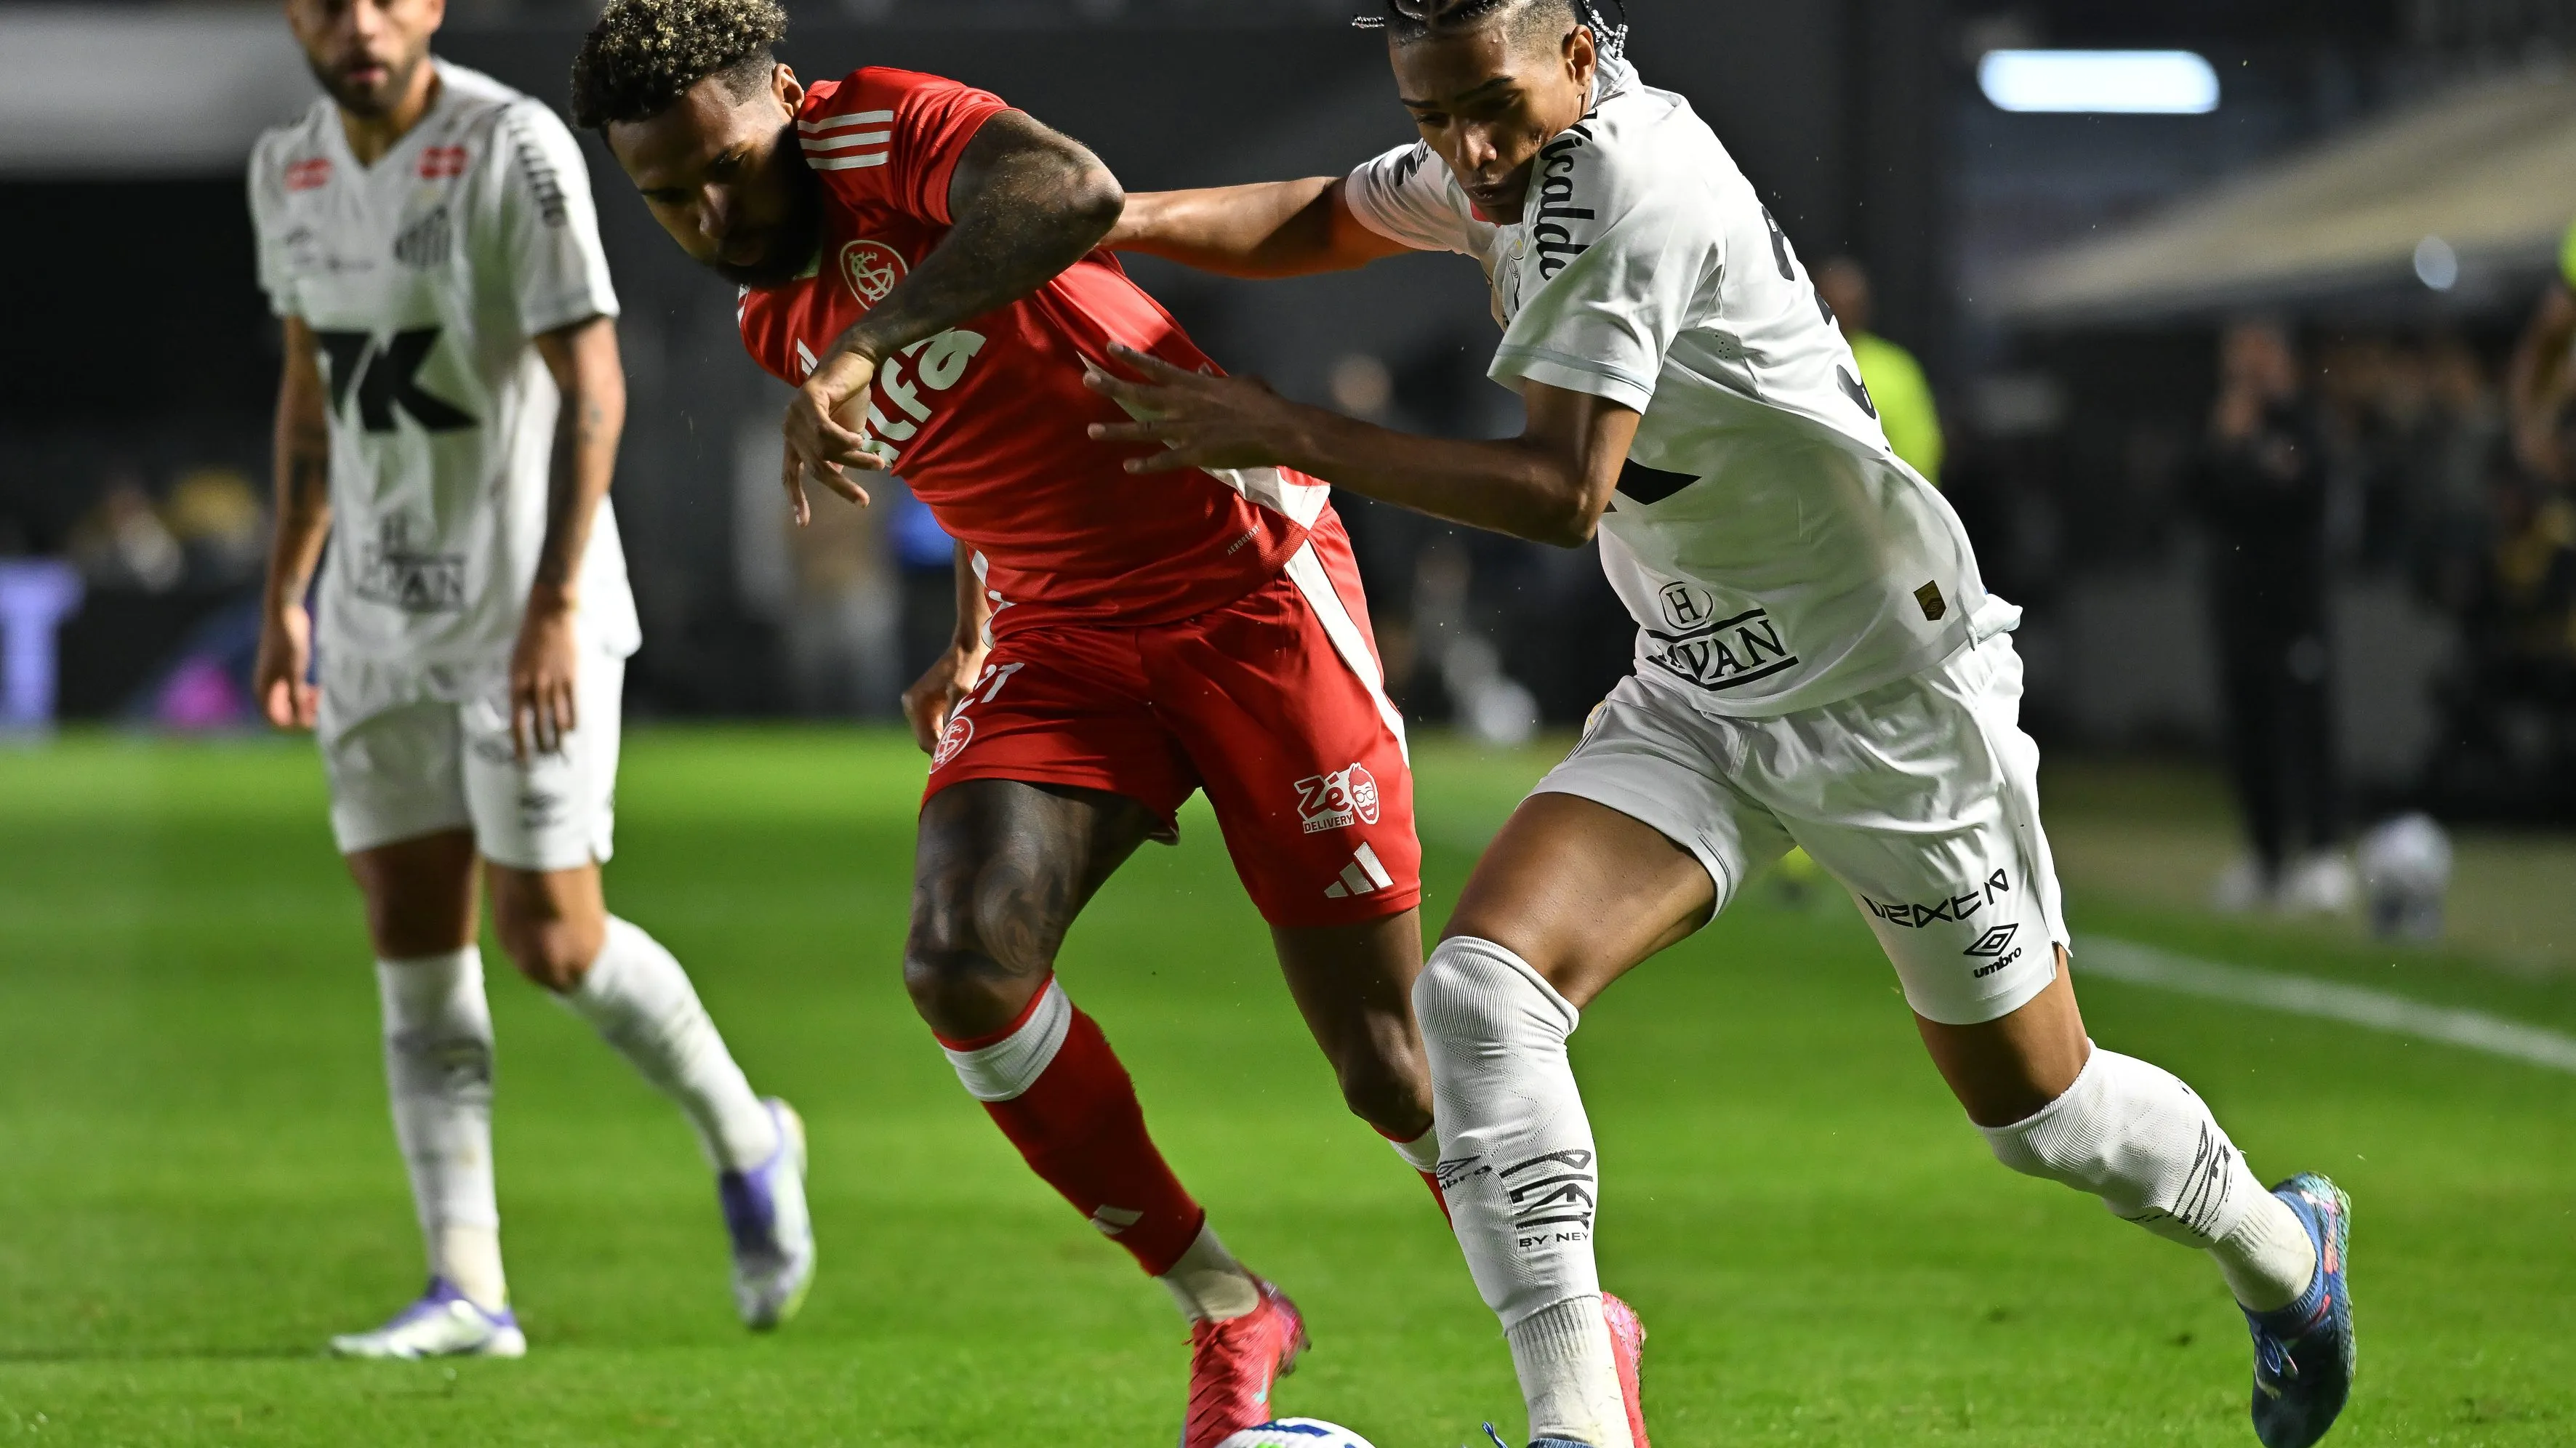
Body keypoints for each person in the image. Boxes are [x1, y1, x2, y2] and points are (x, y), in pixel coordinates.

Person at [1092, 3, 2356, 1446]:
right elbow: (1323, 213)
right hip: (1699, 684)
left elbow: (1562, 494)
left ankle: (2282, 1255)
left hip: (1885, 694)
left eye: (1487, 105)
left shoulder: (1628, 179)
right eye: (1432, 113)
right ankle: (1582, 1423)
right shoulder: (1502, 158)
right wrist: (1111, 218)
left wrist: (1289, 428)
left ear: (1578, 50)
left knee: (2040, 1115)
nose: (1464, 146)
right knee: (1479, 1002)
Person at [569, 6, 1661, 1445]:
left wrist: (863, 346)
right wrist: (968, 624)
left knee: (1388, 1065)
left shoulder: (875, 127)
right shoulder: (770, 310)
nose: (714, 213)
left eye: (729, 167)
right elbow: (978, 426)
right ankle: (1228, 1306)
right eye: (670, 197)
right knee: (961, 962)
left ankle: (1580, 1323)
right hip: (1063, 636)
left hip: (1247, 588)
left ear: (783, 98)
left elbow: (1068, 195)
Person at [248, 0, 812, 1359]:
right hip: (376, 616)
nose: (359, 23)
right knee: (412, 943)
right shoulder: (287, 168)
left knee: (551, 941)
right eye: (329, 0)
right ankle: (467, 1285)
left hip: (522, 612)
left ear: (429, 6)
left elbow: (595, 382)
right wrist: (285, 590)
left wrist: (559, 602)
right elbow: (313, 398)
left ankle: (749, 1137)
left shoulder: (513, 146)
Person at [2191, 321, 2350, 916]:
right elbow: (2197, 499)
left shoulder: (2302, 423)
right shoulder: (2221, 426)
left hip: (2294, 607)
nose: (2248, 374)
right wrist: (2225, 446)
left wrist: (2245, 462)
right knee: (2250, 733)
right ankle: (2265, 857)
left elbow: (2299, 494)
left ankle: (2324, 853)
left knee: (2305, 726)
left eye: (2258, 360)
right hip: (2237, 610)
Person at [1814, 257, 1945, 487]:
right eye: (1830, 302)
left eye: (1848, 304)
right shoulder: (1791, 360)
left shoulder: (1895, 369)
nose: (1838, 312)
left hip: (1881, 503)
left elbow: (1920, 453)